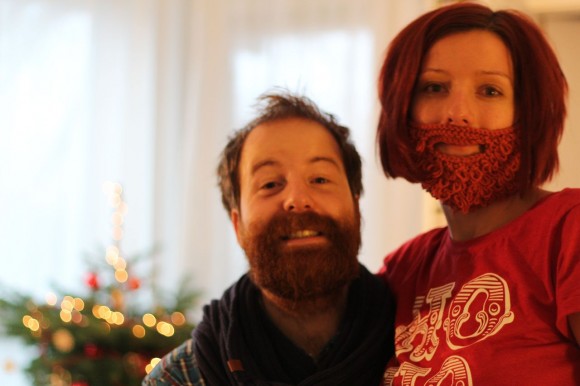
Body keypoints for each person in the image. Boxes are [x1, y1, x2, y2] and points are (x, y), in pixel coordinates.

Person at [375, 2, 580, 385]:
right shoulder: (403, 270)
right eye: (434, 87)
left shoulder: (569, 230)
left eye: (490, 90)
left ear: (529, 113)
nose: (458, 113)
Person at [143, 91, 395, 385]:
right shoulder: (177, 379)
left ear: (356, 207)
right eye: (271, 184)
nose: (297, 200)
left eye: (320, 179)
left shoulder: (421, 352)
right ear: (238, 225)